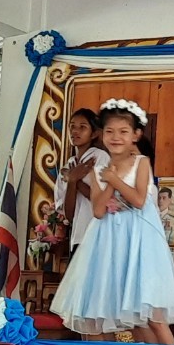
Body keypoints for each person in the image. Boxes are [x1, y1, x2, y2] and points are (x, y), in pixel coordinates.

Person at [50, 99, 174, 344]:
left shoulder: (141, 163)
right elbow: (99, 210)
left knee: (151, 315)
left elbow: (139, 200)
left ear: (135, 135)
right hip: (110, 243)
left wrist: (115, 180)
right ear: (103, 135)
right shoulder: (99, 170)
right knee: (114, 310)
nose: (116, 137)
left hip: (139, 241)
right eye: (110, 132)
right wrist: (109, 181)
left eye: (123, 132)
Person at [54, 108, 109, 258]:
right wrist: (72, 182)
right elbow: (69, 215)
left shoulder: (100, 157)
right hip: (78, 236)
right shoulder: (69, 165)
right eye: (72, 126)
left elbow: (101, 200)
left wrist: (74, 180)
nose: (75, 131)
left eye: (82, 127)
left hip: (99, 235)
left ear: (94, 133)